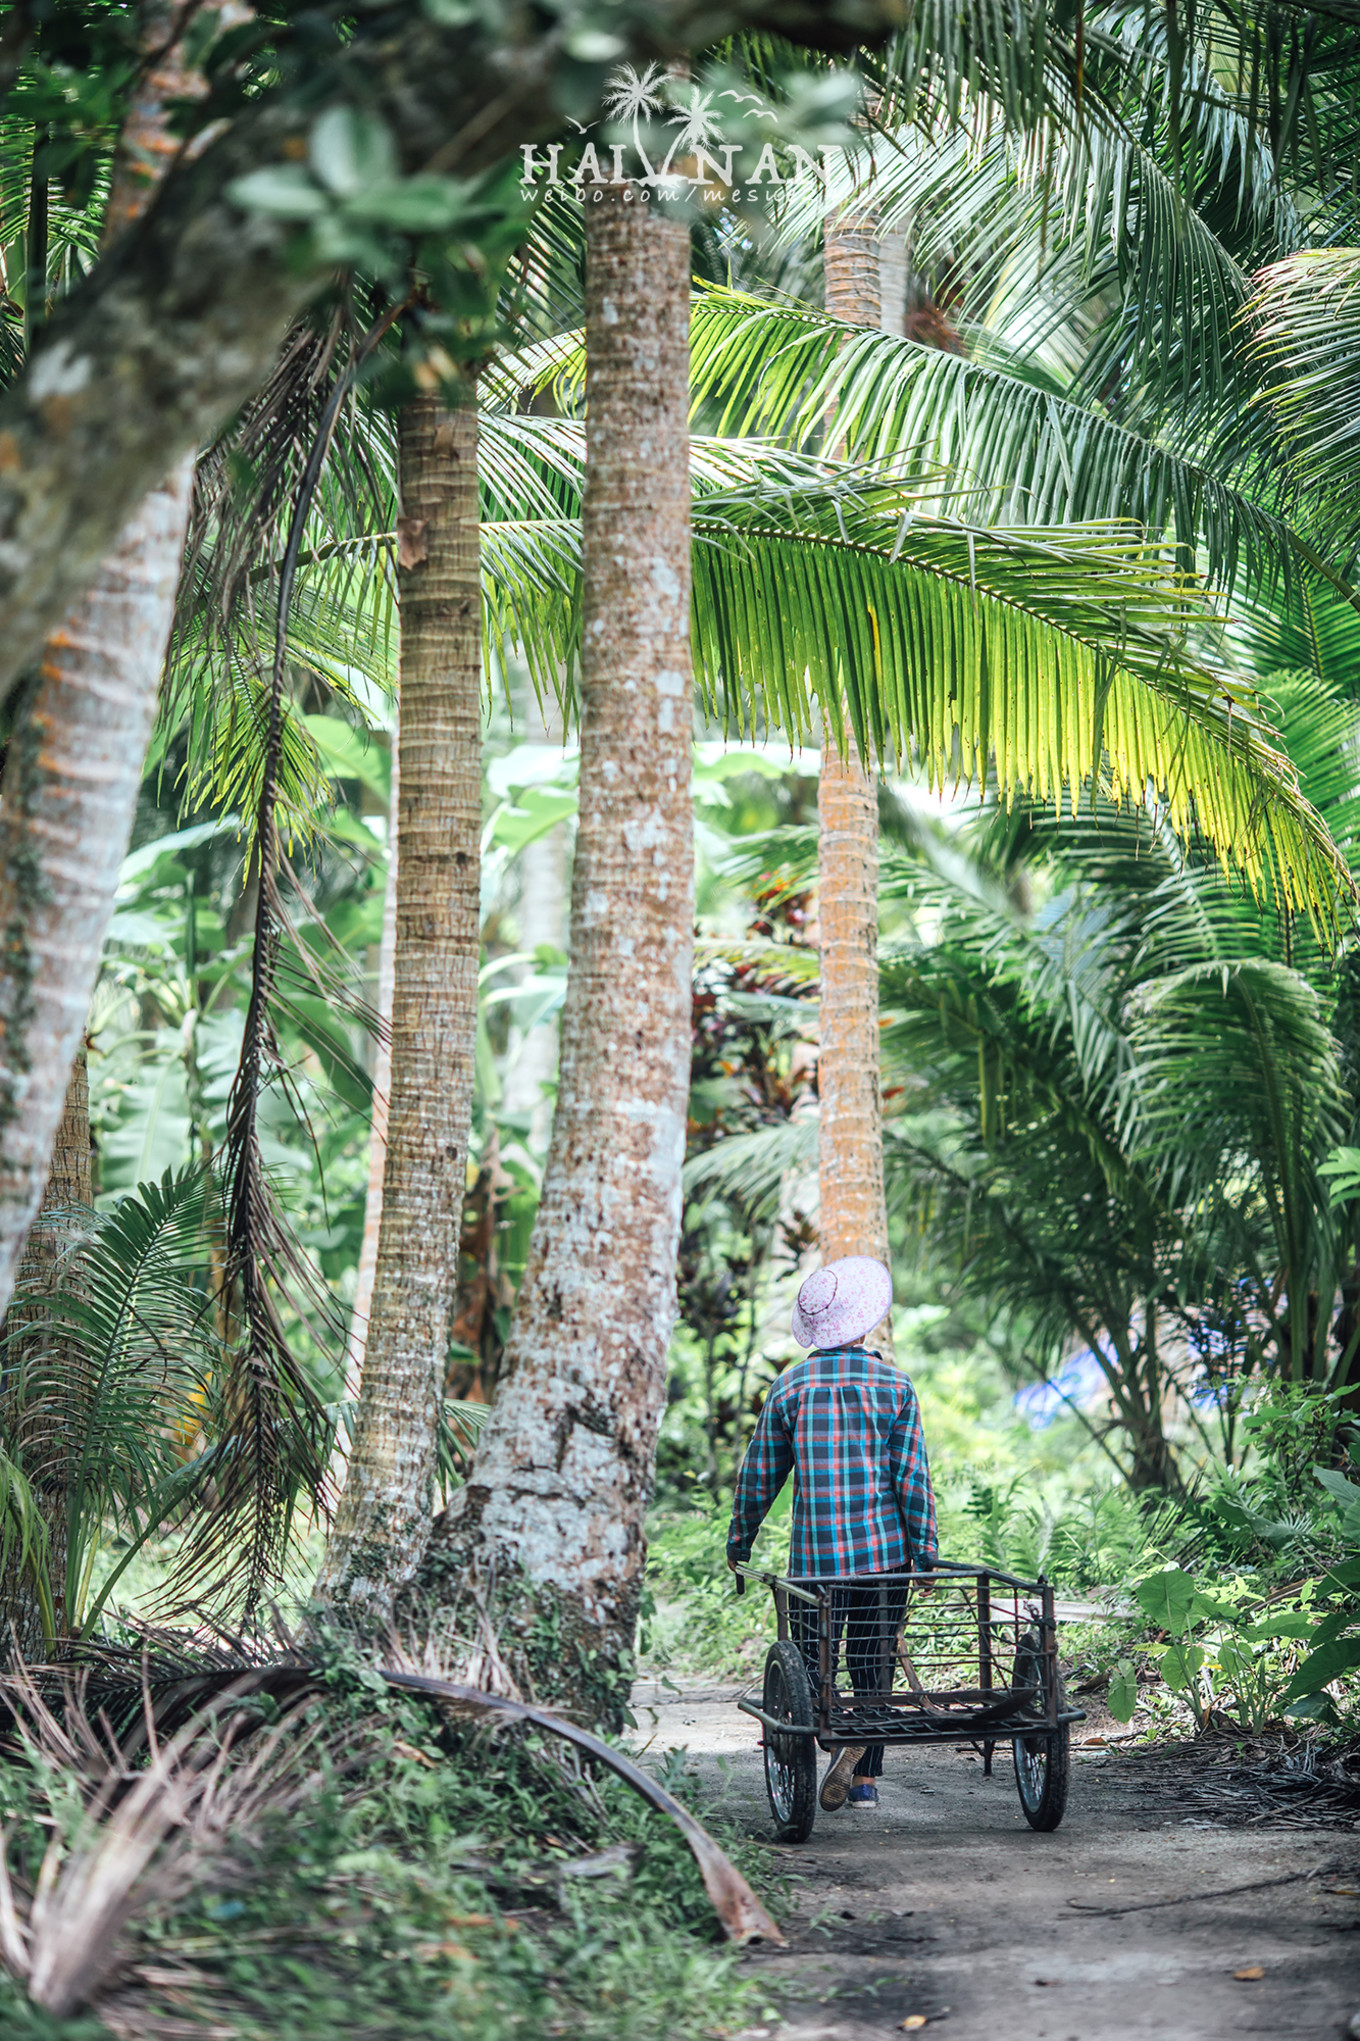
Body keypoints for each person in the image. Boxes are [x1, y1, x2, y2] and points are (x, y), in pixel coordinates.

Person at [725, 1255, 938, 1810]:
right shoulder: (894, 1386)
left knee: (817, 1658)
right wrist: (925, 1552)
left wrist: (739, 1538)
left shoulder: (790, 1388)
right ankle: (865, 1777)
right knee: (873, 1662)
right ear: (863, 1324)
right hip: (884, 1554)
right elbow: (911, 1476)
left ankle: (824, 1738)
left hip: (816, 1561)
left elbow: (760, 1473)